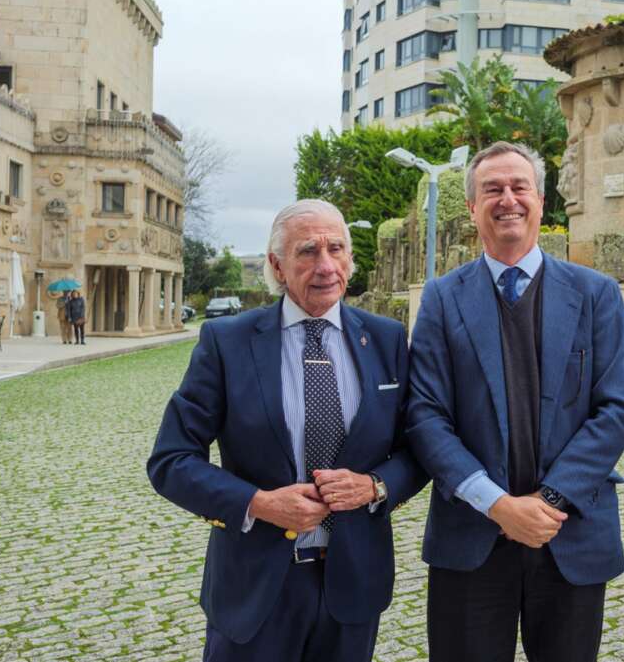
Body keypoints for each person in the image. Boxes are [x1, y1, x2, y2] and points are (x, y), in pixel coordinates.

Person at [147, 199, 427, 662]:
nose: (325, 266)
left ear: (351, 260)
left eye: (336, 249)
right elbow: (171, 460)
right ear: (277, 265)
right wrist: (258, 503)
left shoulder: (386, 339)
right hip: (255, 587)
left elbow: (416, 447)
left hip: (353, 584)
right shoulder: (228, 342)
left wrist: (375, 485)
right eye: (307, 251)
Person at [406, 141, 624, 662]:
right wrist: (498, 504)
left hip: (570, 535)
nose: (507, 198)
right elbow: (424, 414)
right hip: (472, 537)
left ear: (540, 201)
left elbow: (616, 409)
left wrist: (546, 504)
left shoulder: (596, 293)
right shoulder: (442, 299)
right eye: (492, 189)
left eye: (519, 187)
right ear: (471, 208)